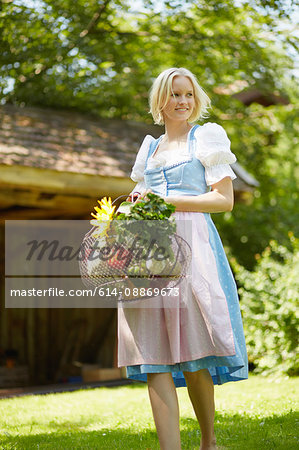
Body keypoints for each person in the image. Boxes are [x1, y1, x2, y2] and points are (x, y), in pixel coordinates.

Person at [117, 67, 248, 450]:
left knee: (195, 349)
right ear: (161, 100)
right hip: (148, 250)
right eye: (175, 94)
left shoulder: (205, 138)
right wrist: (129, 212)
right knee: (153, 353)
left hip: (194, 247)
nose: (183, 101)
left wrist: (168, 201)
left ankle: (208, 443)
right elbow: (140, 199)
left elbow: (223, 201)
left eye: (188, 94)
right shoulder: (149, 149)